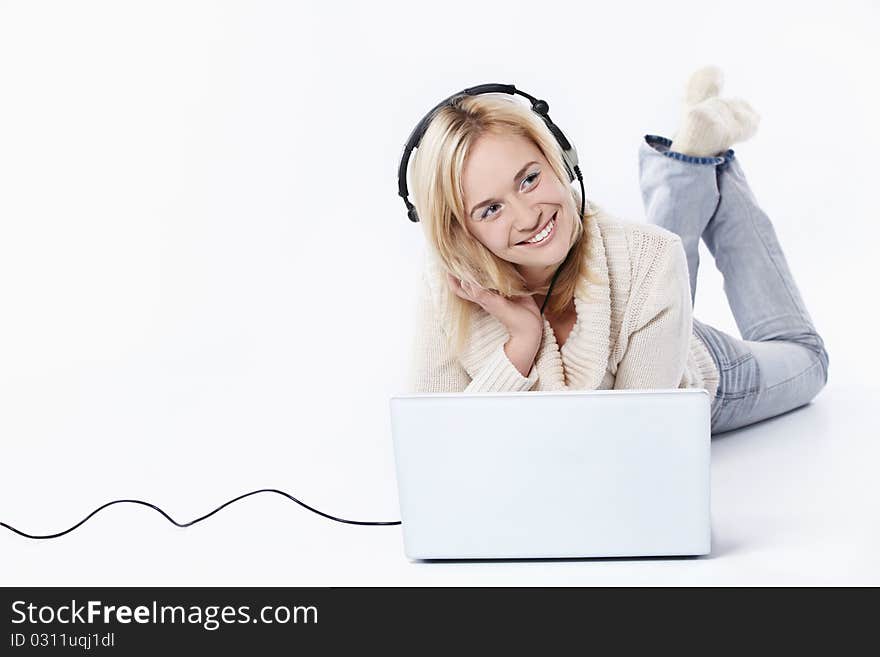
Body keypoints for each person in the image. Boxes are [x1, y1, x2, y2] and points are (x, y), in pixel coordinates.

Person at [406, 67, 829, 435]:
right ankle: (687, 162)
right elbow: (442, 446)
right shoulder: (448, 283)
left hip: (682, 377)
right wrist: (521, 341)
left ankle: (704, 158)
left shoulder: (650, 260)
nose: (527, 216)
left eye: (529, 179)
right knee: (652, 263)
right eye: (491, 209)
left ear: (560, 161)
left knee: (806, 356)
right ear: (461, 232)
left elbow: (633, 443)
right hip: (640, 310)